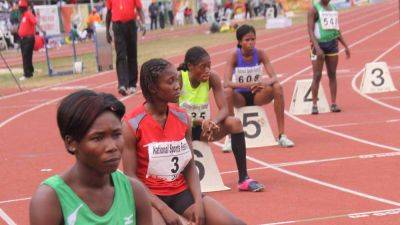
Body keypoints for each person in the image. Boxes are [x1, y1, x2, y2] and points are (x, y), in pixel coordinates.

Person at [122, 58, 246, 225]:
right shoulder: (132, 124)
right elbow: (130, 177)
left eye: (177, 79)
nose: (177, 85)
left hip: (180, 193)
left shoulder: (182, 117)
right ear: (153, 88)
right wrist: (164, 209)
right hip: (149, 197)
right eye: (170, 81)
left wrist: (198, 202)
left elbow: (189, 166)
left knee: (235, 223)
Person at [30, 90, 152, 225]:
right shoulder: (50, 199)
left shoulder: (134, 191)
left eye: (117, 134)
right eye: (98, 138)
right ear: (71, 143)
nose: (112, 147)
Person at [178, 46, 264, 192]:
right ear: (190, 66)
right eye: (202, 67)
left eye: (209, 66)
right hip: (181, 131)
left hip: (205, 129)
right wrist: (200, 121)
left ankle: (244, 179)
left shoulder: (212, 77)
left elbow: (224, 109)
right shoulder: (179, 78)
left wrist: (213, 122)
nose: (207, 70)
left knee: (235, 123)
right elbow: (173, 113)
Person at [224, 24, 294, 148]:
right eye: (247, 40)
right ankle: (230, 139)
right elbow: (226, 83)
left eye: (253, 39)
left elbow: (274, 77)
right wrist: (248, 85)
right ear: (240, 42)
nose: (251, 43)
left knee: (277, 87)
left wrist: (262, 83)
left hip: (257, 95)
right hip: (240, 97)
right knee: (228, 92)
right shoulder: (234, 56)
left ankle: (282, 136)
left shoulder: (260, 54)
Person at [308, 0, 350, 114]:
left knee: (332, 74)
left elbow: (336, 29)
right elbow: (310, 30)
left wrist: (345, 45)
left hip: (332, 44)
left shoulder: (333, 8)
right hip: (318, 45)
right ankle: (314, 105)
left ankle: (333, 103)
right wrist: (317, 48)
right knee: (317, 75)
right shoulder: (314, 9)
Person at [106, 0, 145, 96]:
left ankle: (132, 84)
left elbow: (139, 9)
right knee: (121, 55)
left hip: (131, 25)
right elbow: (108, 13)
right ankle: (122, 84)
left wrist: (143, 24)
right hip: (117, 26)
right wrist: (107, 31)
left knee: (132, 54)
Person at [17, 0, 43, 81]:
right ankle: (30, 71)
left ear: (23, 8)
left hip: (28, 38)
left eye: (20, 8)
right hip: (23, 39)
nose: (19, 10)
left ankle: (27, 74)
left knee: (26, 56)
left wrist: (42, 30)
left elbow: (35, 22)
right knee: (26, 56)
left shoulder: (28, 13)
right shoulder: (23, 15)